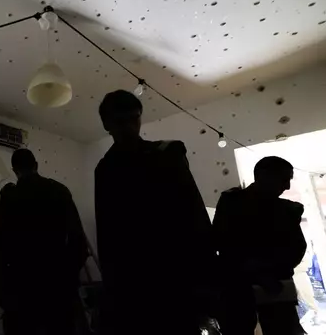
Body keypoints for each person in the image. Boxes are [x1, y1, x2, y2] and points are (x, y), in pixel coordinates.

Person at [94, 90, 215, 335]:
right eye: (120, 121)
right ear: (107, 125)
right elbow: (107, 233)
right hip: (134, 284)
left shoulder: (167, 154)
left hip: (175, 278)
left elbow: (195, 216)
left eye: (134, 119)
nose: (129, 127)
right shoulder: (106, 169)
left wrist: (206, 281)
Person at [0, 148, 88, 335]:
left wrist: (2, 287)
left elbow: (0, 249)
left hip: (21, 289)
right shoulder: (59, 191)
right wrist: (67, 277)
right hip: (57, 285)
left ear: (14, 170)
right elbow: (78, 242)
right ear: (36, 165)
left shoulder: (9, 197)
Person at [214, 156, 306, 335]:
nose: (287, 186)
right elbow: (223, 242)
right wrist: (260, 272)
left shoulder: (288, 210)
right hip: (239, 289)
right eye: (283, 179)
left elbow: (297, 249)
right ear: (264, 176)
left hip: (276, 287)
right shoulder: (232, 203)